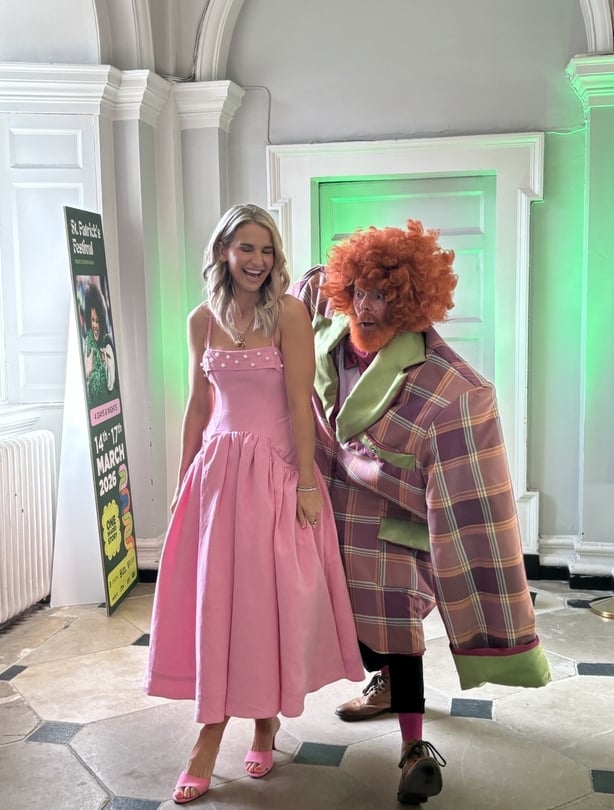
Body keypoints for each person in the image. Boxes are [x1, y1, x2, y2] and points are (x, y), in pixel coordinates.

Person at [292, 220, 551, 806]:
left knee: (396, 631)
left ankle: (413, 749)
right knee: (346, 632)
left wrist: (376, 469)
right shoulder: (320, 318)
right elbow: (288, 287)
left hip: (390, 528)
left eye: (386, 297)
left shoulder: (449, 385)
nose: (367, 306)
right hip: (323, 514)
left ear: (413, 308)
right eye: (359, 289)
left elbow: (472, 499)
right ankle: (375, 685)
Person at [144, 204, 364, 804]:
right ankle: (210, 735)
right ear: (223, 251)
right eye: (246, 248)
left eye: (266, 250)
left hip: (274, 474)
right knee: (219, 604)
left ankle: (263, 724)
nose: (258, 261)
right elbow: (197, 405)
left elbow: (300, 404)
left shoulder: (289, 313)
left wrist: (305, 483)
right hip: (217, 478)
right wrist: (184, 477)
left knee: (269, 603)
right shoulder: (200, 321)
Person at [82, 281, 117, 406]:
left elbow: (112, 385)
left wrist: (107, 365)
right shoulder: (86, 346)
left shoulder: (107, 344)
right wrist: (88, 371)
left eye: (97, 320)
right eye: (92, 320)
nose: (95, 325)